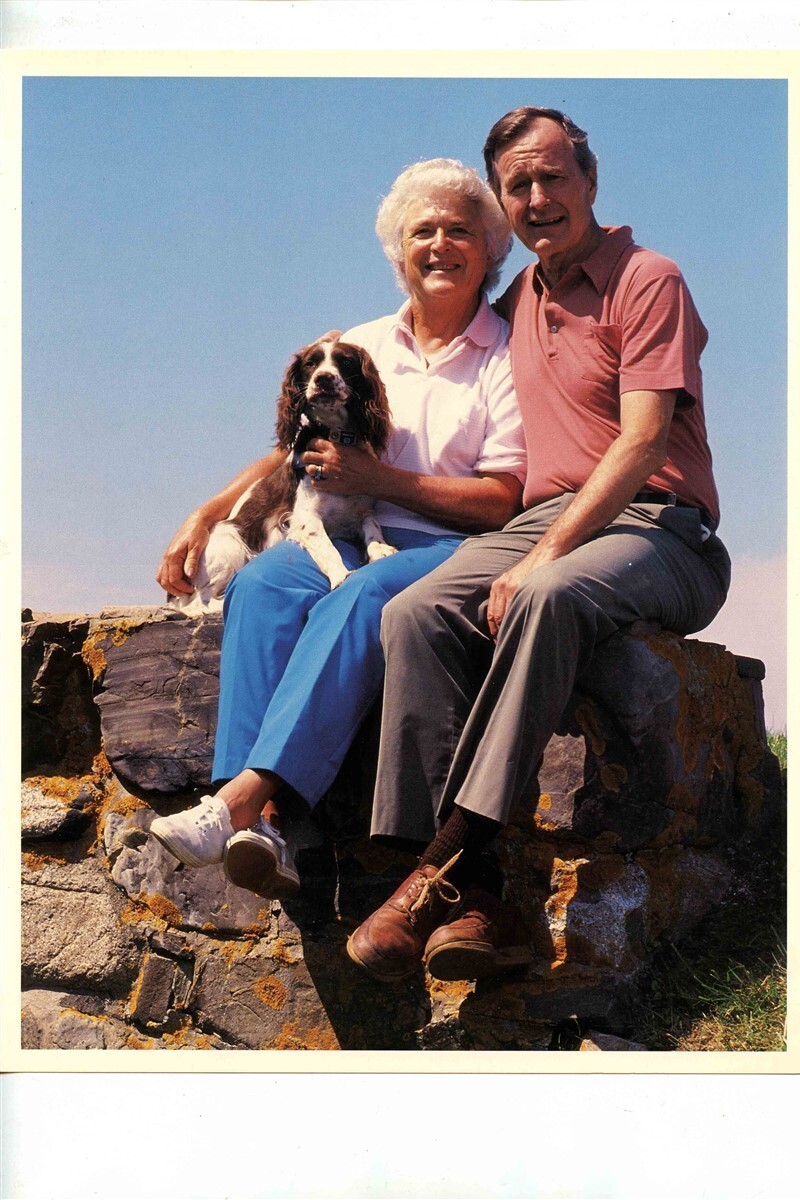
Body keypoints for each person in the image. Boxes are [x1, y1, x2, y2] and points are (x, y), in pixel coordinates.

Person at [346, 107, 732, 985]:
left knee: (548, 594)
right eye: (516, 184)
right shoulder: (518, 298)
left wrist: (540, 555)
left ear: (590, 181)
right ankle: (476, 893)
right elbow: (422, 351)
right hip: (545, 520)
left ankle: (439, 865)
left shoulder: (647, 278)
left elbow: (642, 444)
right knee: (415, 611)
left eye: (552, 176)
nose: (536, 197)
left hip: (661, 527)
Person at [150, 158, 526, 899]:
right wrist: (208, 512)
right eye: (422, 232)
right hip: (342, 525)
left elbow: (504, 500)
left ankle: (239, 804)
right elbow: (292, 451)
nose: (440, 245)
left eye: (459, 231)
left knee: (360, 596)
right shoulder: (361, 343)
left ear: (489, 249)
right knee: (261, 585)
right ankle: (266, 832)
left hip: (446, 543)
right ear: (398, 253)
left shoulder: (509, 356)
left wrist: (379, 481)